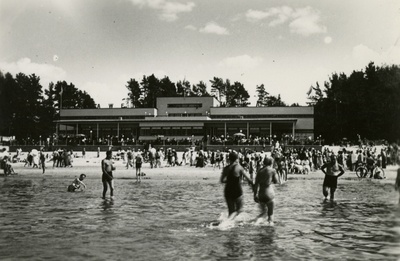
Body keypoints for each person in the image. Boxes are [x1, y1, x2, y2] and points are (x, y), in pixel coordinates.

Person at [220, 151, 253, 219]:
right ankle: (227, 222)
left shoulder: (226, 168)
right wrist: (253, 186)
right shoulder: (239, 167)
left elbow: (222, 180)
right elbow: (248, 179)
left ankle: (230, 226)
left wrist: (229, 180)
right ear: (237, 159)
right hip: (237, 190)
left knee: (231, 211)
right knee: (239, 210)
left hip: (228, 190)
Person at [253, 157, 280, 224]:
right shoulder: (272, 170)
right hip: (269, 193)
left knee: (263, 213)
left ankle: (255, 223)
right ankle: (270, 228)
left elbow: (256, 184)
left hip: (261, 194)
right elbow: (277, 181)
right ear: (271, 162)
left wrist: (255, 195)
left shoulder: (259, 171)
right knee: (270, 214)